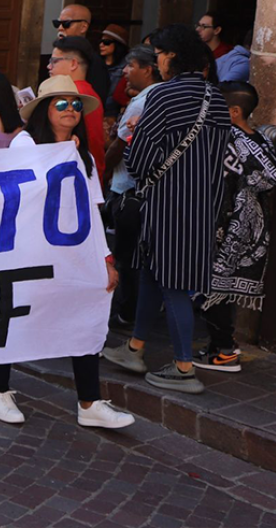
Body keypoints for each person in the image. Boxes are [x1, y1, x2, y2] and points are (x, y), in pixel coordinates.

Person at [0, 76, 134, 429]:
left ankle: (89, 401)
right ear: (44, 111)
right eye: (62, 104)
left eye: (76, 104)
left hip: (72, 251)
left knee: (85, 313)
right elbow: (27, 189)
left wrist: (106, 258)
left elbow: (92, 208)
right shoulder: (25, 142)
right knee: (15, 314)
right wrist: (61, 155)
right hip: (28, 248)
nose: (71, 110)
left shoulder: (82, 154)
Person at [102, 24, 232, 395]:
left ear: (171, 56)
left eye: (157, 52)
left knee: (172, 285)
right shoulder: (216, 96)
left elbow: (139, 161)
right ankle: (135, 347)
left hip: (166, 207)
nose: (155, 59)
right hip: (201, 206)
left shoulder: (165, 95)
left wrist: (138, 136)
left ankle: (183, 368)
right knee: (152, 277)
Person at [193, 82, 275, 374]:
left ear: (234, 111)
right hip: (253, 225)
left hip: (227, 223)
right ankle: (219, 346)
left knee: (212, 288)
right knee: (221, 289)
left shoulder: (226, 137)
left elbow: (215, 182)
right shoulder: (261, 141)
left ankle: (224, 352)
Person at [104, 46, 161, 328]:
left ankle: (128, 312)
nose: (125, 71)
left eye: (131, 65)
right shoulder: (160, 97)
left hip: (127, 187)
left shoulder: (141, 102)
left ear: (147, 69)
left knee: (127, 256)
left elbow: (119, 145)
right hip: (145, 190)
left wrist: (105, 163)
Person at [49, 36, 107, 182]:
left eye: (54, 61)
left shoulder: (74, 94)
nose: (49, 66)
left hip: (78, 176)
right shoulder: (88, 92)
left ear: (73, 63)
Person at [53, 3, 110, 101]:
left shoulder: (94, 62)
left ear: (83, 27)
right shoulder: (57, 53)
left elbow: (95, 101)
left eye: (66, 23)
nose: (60, 28)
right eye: (57, 23)